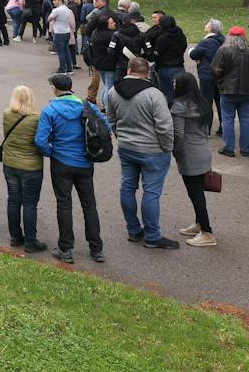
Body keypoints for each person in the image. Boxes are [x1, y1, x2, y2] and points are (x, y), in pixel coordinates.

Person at [105, 57, 178, 249]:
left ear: (129, 70)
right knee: (151, 192)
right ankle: (153, 235)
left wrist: (120, 136)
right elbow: (165, 126)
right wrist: (167, 147)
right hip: (153, 150)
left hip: (127, 148)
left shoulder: (113, 91)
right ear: (147, 73)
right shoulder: (154, 95)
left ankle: (133, 229)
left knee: (127, 187)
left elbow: (111, 118)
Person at [35, 72, 106, 264]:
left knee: (64, 204)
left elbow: (40, 141)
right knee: (89, 205)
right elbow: (104, 126)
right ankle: (96, 248)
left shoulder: (49, 110)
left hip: (61, 162)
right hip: (84, 162)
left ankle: (66, 248)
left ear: (55, 89)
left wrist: (53, 152)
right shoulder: (87, 106)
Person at [169, 72, 217, 247]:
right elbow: (205, 132)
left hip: (189, 154)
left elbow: (178, 134)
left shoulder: (178, 107)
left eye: (175, 83)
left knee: (195, 194)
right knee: (198, 192)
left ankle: (207, 232)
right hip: (203, 152)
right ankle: (199, 224)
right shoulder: (203, 104)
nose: (173, 85)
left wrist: (174, 151)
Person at [0, 84, 47, 252]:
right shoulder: (36, 119)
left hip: (10, 163)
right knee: (30, 203)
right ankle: (30, 241)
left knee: (13, 200)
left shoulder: (7, 114)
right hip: (30, 166)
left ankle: (15, 237)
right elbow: (40, 141)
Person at [211, 26, 249, 157]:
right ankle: (245, 148)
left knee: (228, 119)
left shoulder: (224, 50)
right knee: (245, 119)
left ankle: (229, 147)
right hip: (247, 90)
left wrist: (221, 82)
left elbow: (215, 70)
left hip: (228, 90)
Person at [144, 13, 188, 101]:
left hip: (166, 68)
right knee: (180, 94)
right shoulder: (180, 35)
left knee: (167, 94)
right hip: (179, 67)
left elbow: (155, 55)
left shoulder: (163, 38)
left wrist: (148, 49)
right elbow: (184, 47)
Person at [189, 18, 224, 129]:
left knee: (206, 103)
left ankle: (206, 128)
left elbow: (194, 54)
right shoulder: (223, 40)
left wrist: (193, 51)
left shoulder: (206, 42)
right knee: (220, 103)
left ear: (211, 28)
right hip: (221, 76)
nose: (206, 25)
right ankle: (223, 128)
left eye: (208, 24)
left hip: (207, 76)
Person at [48, 0, 77, 74]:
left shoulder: (56, 10)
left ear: (60, 0)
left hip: (59, 32)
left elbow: (49, 18)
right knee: (66, 50)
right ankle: (69, 69)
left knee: (61, 52)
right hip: (67, 31)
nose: (53, 2)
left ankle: (62, 69)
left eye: (55, 0)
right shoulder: (67, 9)